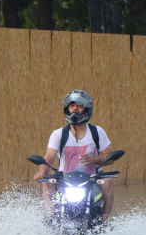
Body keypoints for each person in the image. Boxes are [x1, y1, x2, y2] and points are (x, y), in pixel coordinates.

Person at [33, 90, 116, 221]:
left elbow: (109, 156)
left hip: (92, 179)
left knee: (108, 181)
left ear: (87, 108)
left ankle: (104, 220)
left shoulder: (97, 132)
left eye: (79, 105)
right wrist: (42, 172)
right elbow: (49, 156)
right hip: (64, 180)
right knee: (47, 181)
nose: (75, 108)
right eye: (72, 105)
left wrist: (95, 159)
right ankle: (52, 217)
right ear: (67, 108)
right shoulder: (58, 134)